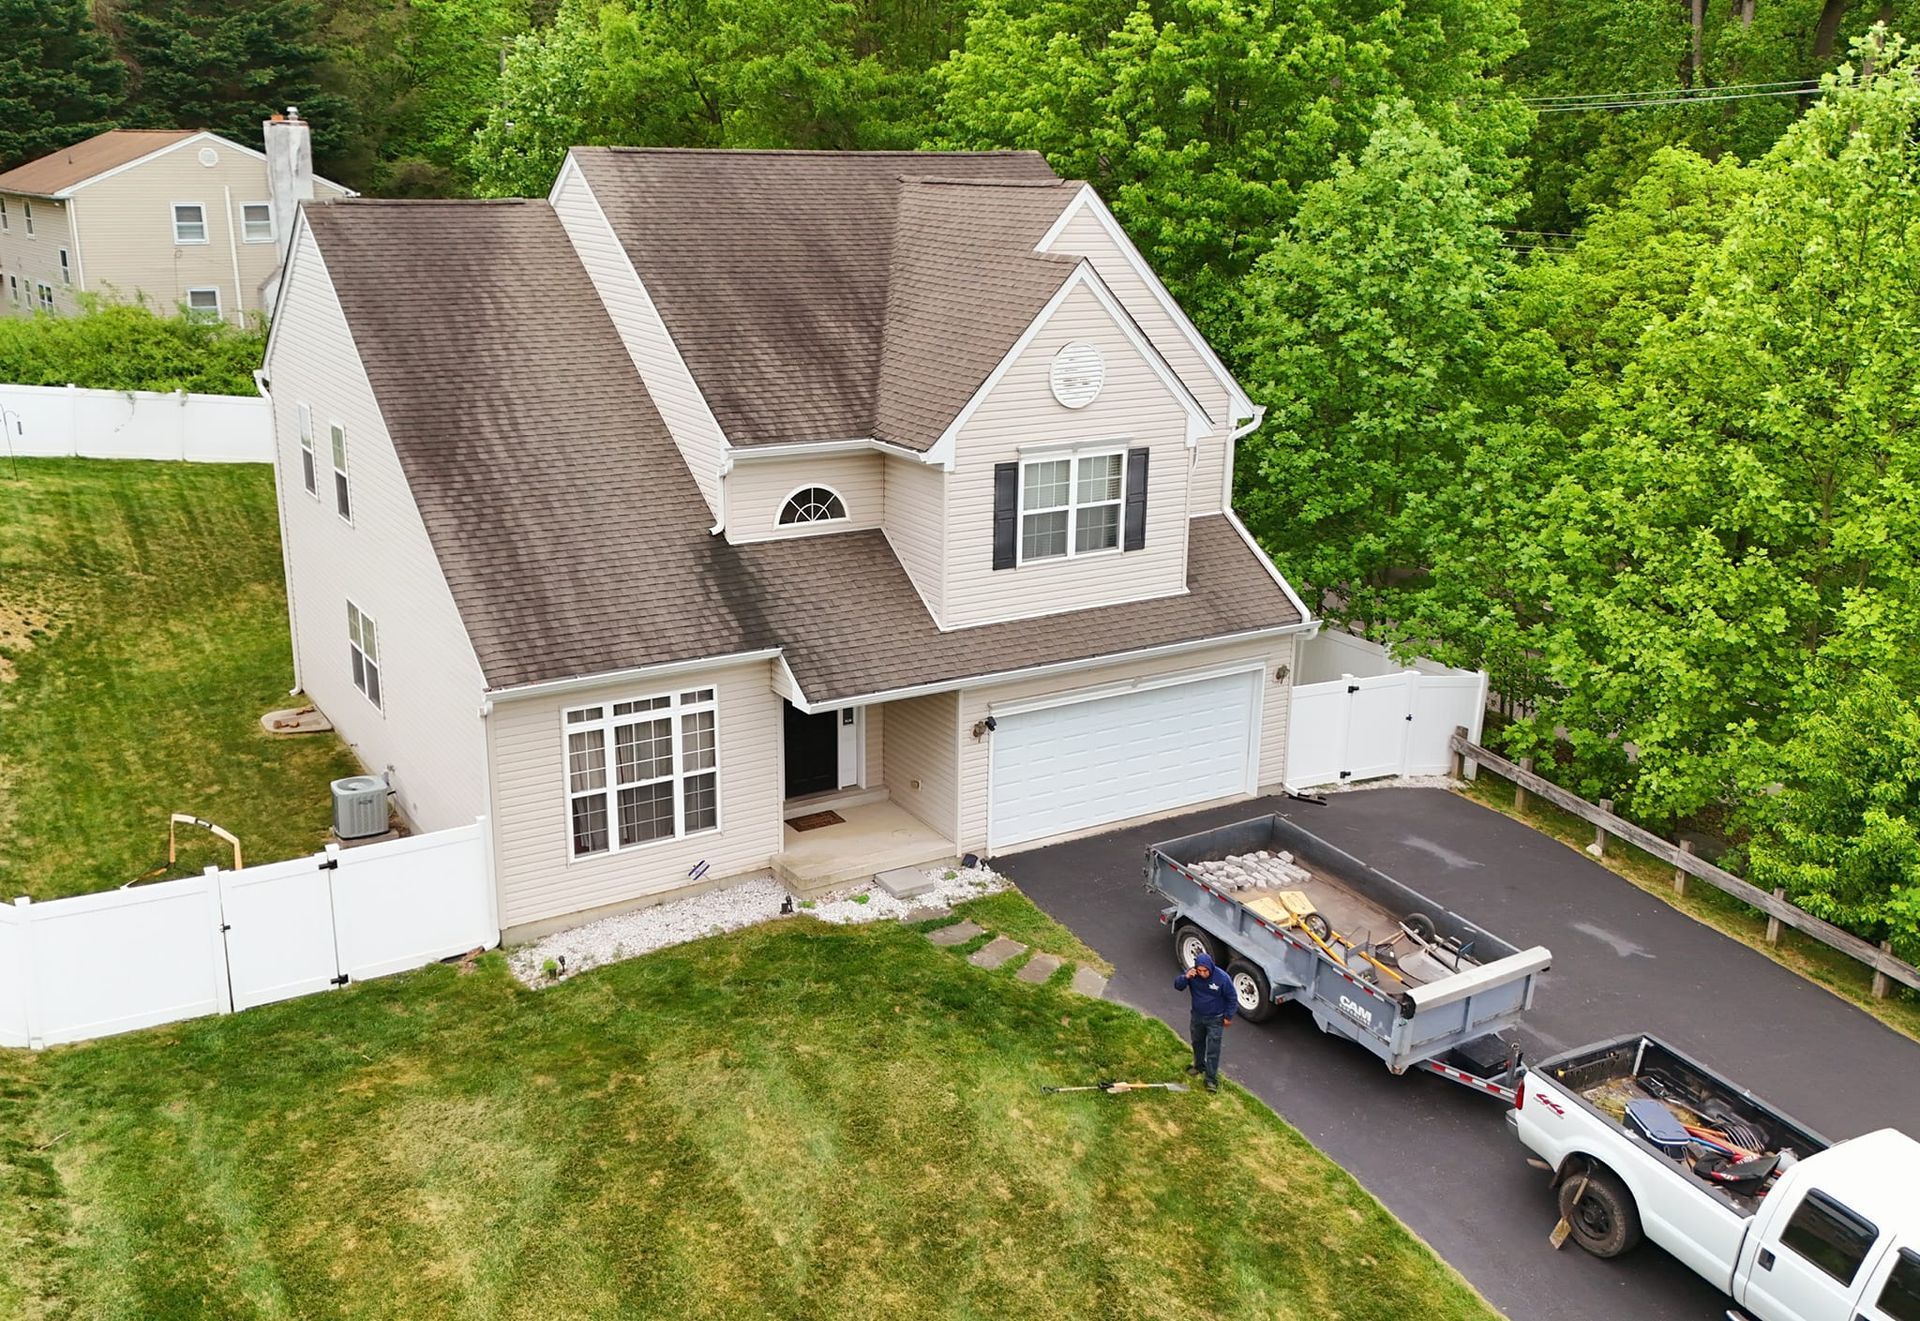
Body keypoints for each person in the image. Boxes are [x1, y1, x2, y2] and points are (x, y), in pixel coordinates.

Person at [1174, 952, 1235, 1092]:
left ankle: (1211, 1080)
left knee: (1213, 1049)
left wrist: (1228, 1016)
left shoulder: (1222, 978)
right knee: (1197, 1042)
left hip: (1215, 1019)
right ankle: (1199, 1066)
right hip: (1197, 1016)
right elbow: (1178, 985)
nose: (1202, 974)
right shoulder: (1192, 974)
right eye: (1200, 970)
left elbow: (1232, 998)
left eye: (1205, 971)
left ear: (1210, 968)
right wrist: (1185, 977)